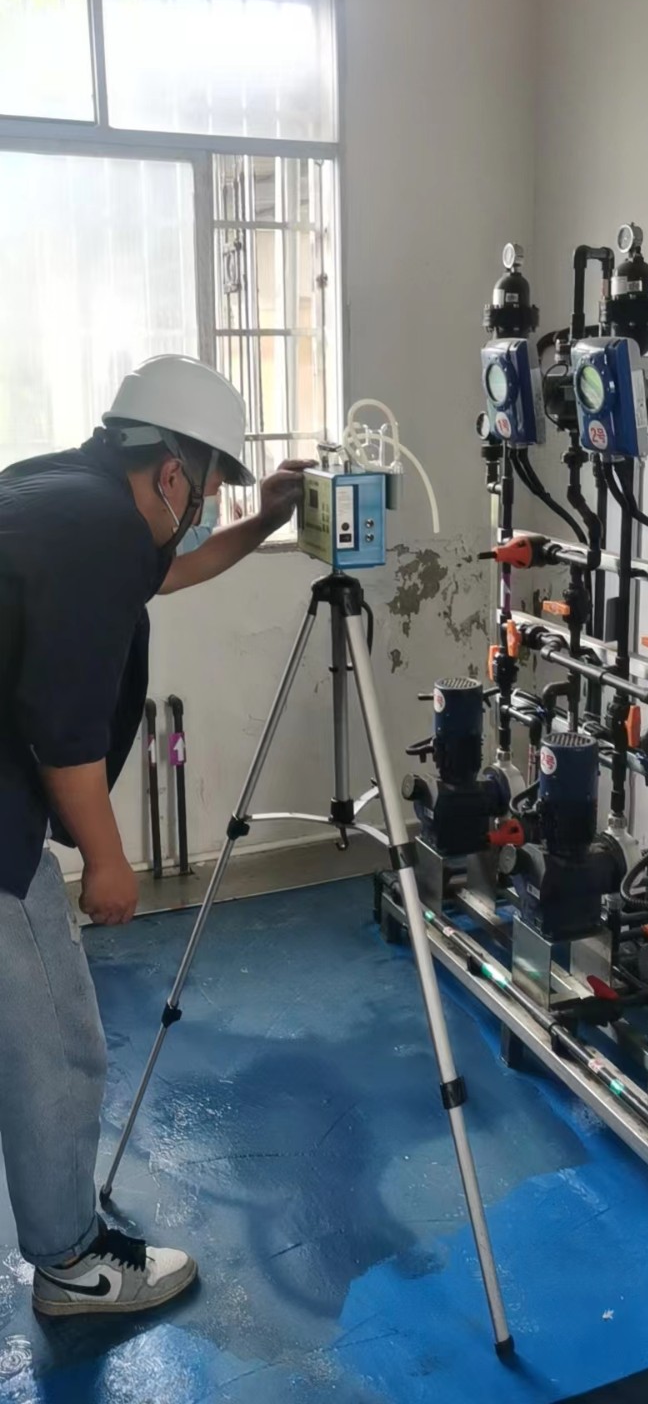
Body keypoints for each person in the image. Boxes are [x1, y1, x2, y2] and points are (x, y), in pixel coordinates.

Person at [0, 354, 309, 1318]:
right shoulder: (96, 529)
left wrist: (265, 522)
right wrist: (108, 861)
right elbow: (65, 730)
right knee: (59, 1042)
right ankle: (71, 1265)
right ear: (171, 471)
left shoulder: (60, 488)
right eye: (207, 491)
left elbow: (166, 573)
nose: (204, 509)